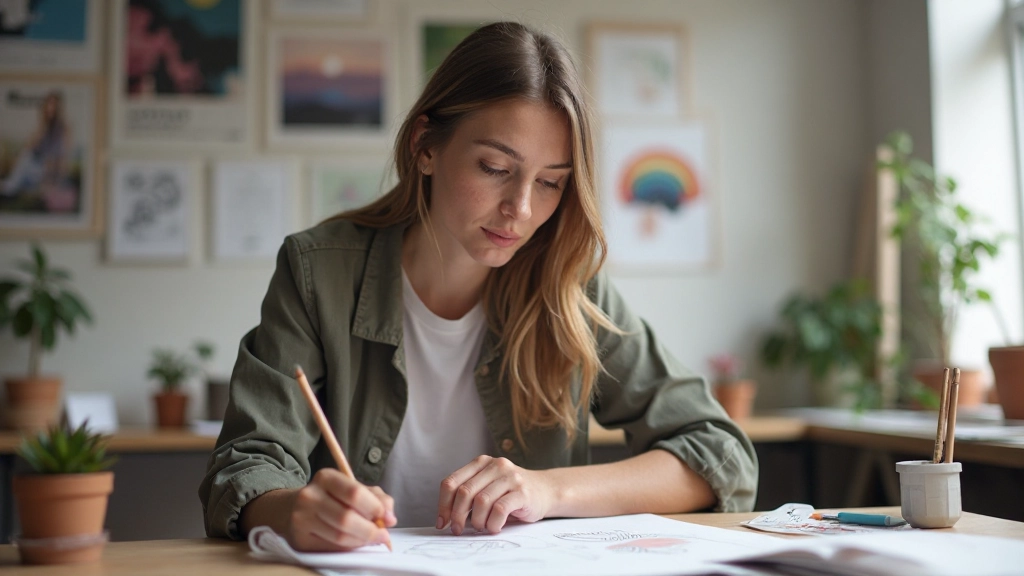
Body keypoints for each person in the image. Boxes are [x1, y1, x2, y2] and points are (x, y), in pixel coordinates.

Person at [199, 21, 757, 552]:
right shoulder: (318, 272)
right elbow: (245, 466)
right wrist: (294, 509)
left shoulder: (570, 287)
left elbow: (717, 451)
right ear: (426, 146)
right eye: (495, 167)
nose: (520, 209)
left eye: (550, 183)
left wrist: (549, 490)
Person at [1, 91, 71, 198]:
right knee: (16, 179)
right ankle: (13, 186)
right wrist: (41, 129)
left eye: (53, 105)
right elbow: (29, 146)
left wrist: (55, 174)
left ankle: (15, 186)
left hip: (47, 167)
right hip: (34, 163)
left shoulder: (63, 129)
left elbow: (62, 155)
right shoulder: (43, 127)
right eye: (48, 104)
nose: (50, 108)